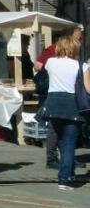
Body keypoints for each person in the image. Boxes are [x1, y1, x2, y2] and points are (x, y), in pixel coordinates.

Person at [40, 33, 90, 190]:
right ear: (75, 48)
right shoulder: (82, 66)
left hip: (53, 104)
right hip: (72, 105)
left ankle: (68, 171)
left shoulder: (50, 62)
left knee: (61, 139)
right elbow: (88, 89)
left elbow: (39, 68)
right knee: (69, 142)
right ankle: (65, 178)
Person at [35, 26, 83, 169]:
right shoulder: (54, 50)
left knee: (63, 129)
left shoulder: (71, 54)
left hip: (62, 95)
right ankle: (52, 158)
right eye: (78, 37)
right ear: (69, 38)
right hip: (53, 93)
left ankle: (67, 159)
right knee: (55, 129)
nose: (80, 40)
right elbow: (38, 65)